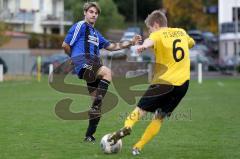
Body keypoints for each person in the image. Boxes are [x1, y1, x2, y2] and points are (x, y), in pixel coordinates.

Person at [108, 10, 195, 155]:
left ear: (156, 24)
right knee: (159, 118)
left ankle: (128, 126)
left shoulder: (157, 34)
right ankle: (138, 147)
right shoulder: (181, 32)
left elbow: (151, 40)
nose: (149, 32)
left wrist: (143, 46)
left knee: (140, 110)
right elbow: (192, 43)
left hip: (164, 82)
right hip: (183, 85)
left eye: (149, 28)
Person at [62, 2, 141, 142]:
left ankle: (89, 136)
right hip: (85, 65)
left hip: (93, 67)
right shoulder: (80, 26)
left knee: (97, 107)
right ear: (85, 13)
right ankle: (96, 105)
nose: (93, 14)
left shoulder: (96, 34)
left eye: (96, 13)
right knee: (107, 72)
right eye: (91, 12)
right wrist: (75, 59)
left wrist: (131, 43)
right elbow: (65, 45)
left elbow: (111, 46)